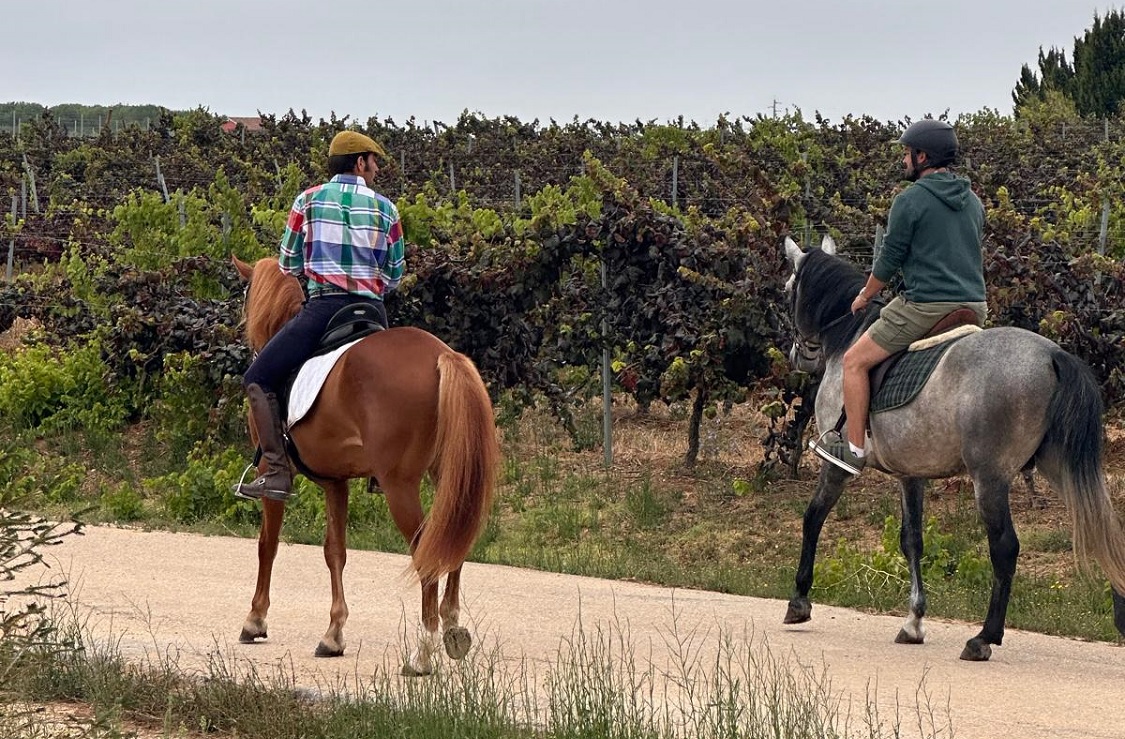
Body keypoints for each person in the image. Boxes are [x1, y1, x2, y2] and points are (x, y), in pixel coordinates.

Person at [234, 130, 405, 501]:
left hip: (324, 310)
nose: (376, 169)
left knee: (257, 377)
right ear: (359, 162)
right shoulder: (386, 209)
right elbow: (394, 275)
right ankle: (385, 464)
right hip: (372, 312)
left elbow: (287, 264)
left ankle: (276, 472)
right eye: (374, 162)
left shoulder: (306, 200)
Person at [809, 119, 987, 475]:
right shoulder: (973, 202)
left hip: (925, 307)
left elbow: (889, 260)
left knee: (854, 361)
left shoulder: (910, 200)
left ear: (923, 156)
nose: (903, 160)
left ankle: (854, 449)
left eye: (907, 153)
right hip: (974, 306)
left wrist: (865, 295)